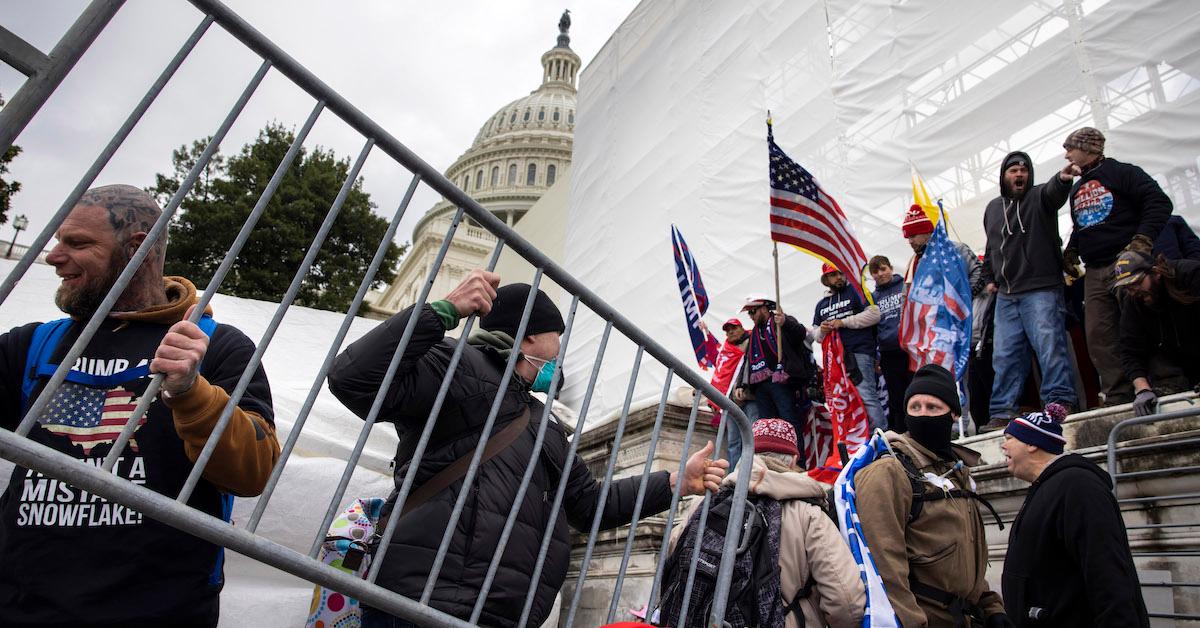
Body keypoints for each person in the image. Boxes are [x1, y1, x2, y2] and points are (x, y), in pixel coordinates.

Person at [326, 272, 728, 628]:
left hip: (499, 614)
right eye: (557, 336)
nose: (560, 351)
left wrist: (674, 482)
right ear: (531, 335)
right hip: (422, 602)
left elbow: (589, 505)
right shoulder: (457, 363)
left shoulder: (543, 420)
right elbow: (352, 378)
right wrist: (443, 311)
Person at [0, 185, 280, 627]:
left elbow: (254, 471)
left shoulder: (215, 344)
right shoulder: (35, 344)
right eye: (57, 240)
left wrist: (192, 393)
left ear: (138, 249)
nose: (54, 256)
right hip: (20, 609)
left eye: (78, 243)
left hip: (161, 613)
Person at [666, 418, 865, 628]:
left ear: (748, 454)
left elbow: (672, 558)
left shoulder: (705, 503)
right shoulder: (809, 514)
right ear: (793, 459)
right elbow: (847, 603)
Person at [854, 365, 1010, 628]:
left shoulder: (956, 471)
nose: (923, 415)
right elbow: (884, 565)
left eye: (933, 407)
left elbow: (964, 552)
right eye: (915, 408)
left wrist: (990, 605)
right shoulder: (888, 472)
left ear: (954, 414)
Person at [1000, 404, 1149, 627]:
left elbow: (1107, 575)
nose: (1003, 446)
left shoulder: (1078, 487)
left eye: (1009, 438)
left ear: (1032, 443)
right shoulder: (1047, 487)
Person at [1061, 126, 1172, 405]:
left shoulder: (1123, 172)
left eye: (1070, 147)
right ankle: (1118, 392)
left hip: (1127, 261)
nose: (1066, 154)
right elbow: (1085, 224)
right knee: (1099, 333)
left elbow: (1159, 202)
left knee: (1142, 321)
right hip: (1095, 270)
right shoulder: (1076, 190)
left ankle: (1165, 380)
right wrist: (1073, 248)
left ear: (1088, 148)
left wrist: (1143, 239)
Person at [978, 151, 1078, 432]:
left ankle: (1058, 402)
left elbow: (1054, 192)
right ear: (1004, 176)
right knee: (1005, 355)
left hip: (1041, 288)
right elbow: (991, 247)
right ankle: (1001, 411)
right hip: (1007, 295)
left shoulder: (1039, 197)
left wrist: (1063, 179)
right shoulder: (993, 208)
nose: (1019, 174)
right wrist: (990, 277)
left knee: (1049, 346)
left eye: (1023, 170)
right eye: (1013, 170)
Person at [1112, 251, 1200, 415]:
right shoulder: (1134, 301)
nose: (1133, 291)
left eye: (1136, 283)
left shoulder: (1190, 275)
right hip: (1178, 365)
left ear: (1156, 272)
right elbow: (1129, 349)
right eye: (1128, 287)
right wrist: (1142, 388)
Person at [812, 265, 885, 432]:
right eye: (832, 275)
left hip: (859, 352)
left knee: (866, 395)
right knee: (843, 399)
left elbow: (875, 314)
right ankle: (857, 438)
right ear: (826, 280)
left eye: (839, 273)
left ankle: (880, 436)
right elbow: (816, 336)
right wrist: (822, 330)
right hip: (835, 362)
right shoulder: (821, 305)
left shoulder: (857, 291)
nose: (838, 277)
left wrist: (844, 322)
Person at [739, 295, 814, 447]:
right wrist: (741, 384)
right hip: (760, 385)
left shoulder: (781, 321)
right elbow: (747, 361)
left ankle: (797, 460)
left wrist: (785, 322)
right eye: (749, 313)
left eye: (753, 312)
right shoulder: (754, 333)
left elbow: (802, 334)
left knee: (789, 421)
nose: (751, 316)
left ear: (764, 308)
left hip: (782, 380)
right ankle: (772, 456)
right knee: (767, 426)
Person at [704, 317, 754, 470]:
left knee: (753, 438)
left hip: (751, 398)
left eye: (734, 328)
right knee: (733, 442)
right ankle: (735, 476)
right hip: (731, 403)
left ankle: (751, 472)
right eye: (728, 330)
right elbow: (721, 376)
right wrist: (714, 401)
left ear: (742, 328)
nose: (731, 332)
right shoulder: (725, 351)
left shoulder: (753, 341)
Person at [902, 204, 984, 297]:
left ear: (926, 233)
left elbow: (979, 271)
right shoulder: (913, 265)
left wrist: (964, 299)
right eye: (908, 237)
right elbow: (907, 297)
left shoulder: (957, 249)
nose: (910, 241)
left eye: (913, 236)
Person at [870, 255, 909, 432]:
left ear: (891, 268)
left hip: (909, 349)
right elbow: (872, 330)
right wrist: (876, 356)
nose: (880, 274)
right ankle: (901, 432)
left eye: (883, 269)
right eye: (875, 271)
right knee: (895, 395)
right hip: (888, 352)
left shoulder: (905, 286)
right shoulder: (872, 298)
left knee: (913, 389)